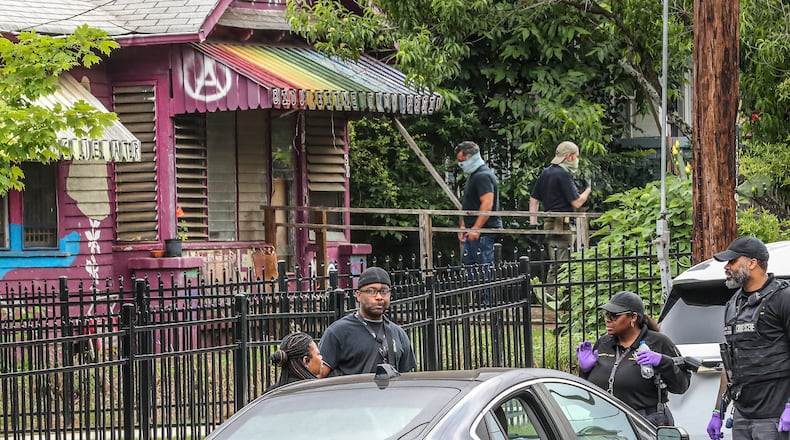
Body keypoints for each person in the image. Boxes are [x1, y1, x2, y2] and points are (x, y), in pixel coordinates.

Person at [706, 236, 790, 440]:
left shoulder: (783, 298)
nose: (727, 267)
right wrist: (718, 411)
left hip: (775, 416)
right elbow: (730, 364)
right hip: (742, 417)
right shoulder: (733, 305)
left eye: (733, 261)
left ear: (752, 263)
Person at [576, 291, 690, 426]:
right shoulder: (603, 343)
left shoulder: (658, 342)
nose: (607, 319)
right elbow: (589, 389)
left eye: (614, 315)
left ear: (633, 317)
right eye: (606, 314)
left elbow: (681, 386)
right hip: (604, 421)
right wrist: (585, 370)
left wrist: (663, 362)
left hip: (643, 422)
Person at [318, 266, 417, 377]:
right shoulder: (338, 332)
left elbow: (407, 379)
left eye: (384, 291)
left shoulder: (398, 333)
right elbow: (319, 376)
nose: (379, 297)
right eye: (371, 291)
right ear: (358, 295)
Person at [529, 141, 591, 292]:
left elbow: (533, 200)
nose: (577, 160)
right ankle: (553, 299)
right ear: (568, 157)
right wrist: (588, 189)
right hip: (562, 225)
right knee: (562, 266)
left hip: (549, 224)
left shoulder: (546, 172)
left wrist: (533, 224)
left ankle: (555, 297)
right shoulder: (563, 175)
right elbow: (577, 202)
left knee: (557, 263)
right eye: (576, 156)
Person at [455, 141, 502, 266]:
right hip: (473, 231)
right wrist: (464, 225)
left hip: (483, 232)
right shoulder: (474, 175)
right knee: (470, 268)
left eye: (462, 160)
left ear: (471, 157)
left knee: (483, 270)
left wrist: (476, 229)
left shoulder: (483, 176)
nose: (461, 164)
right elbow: (471, 204)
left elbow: (487, 204)